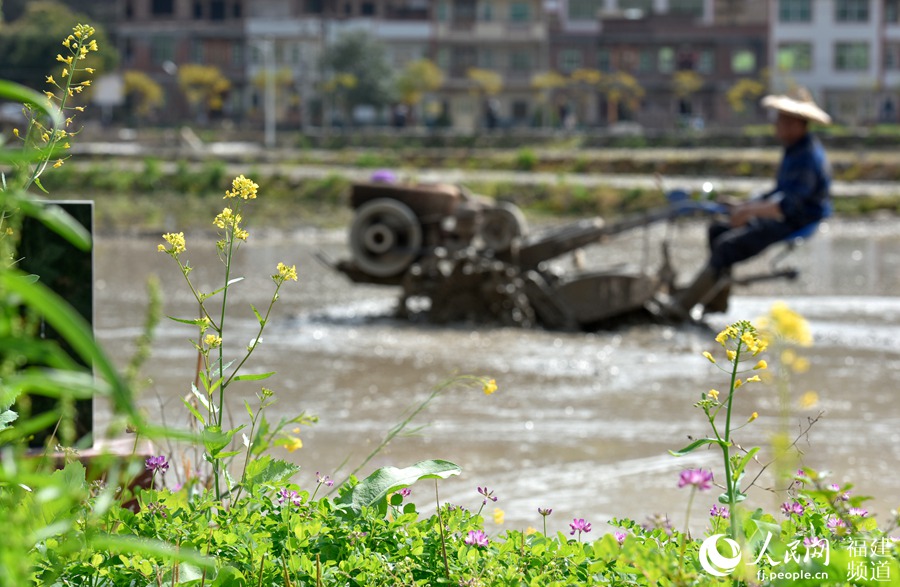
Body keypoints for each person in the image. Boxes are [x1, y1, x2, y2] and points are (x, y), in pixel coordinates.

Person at [665, 86, 832, 318]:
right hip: (785, 213)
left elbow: (787, 205)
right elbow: (778, 192)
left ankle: (681, 308)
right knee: (717, 230)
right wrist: (742, 205)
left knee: (726, 246)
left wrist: (749, 212)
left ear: (796, 124)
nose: (776, 125)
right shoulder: (795, 150)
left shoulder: (806, 157)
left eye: (781, 120)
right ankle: (716, 301)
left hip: (795, 219)